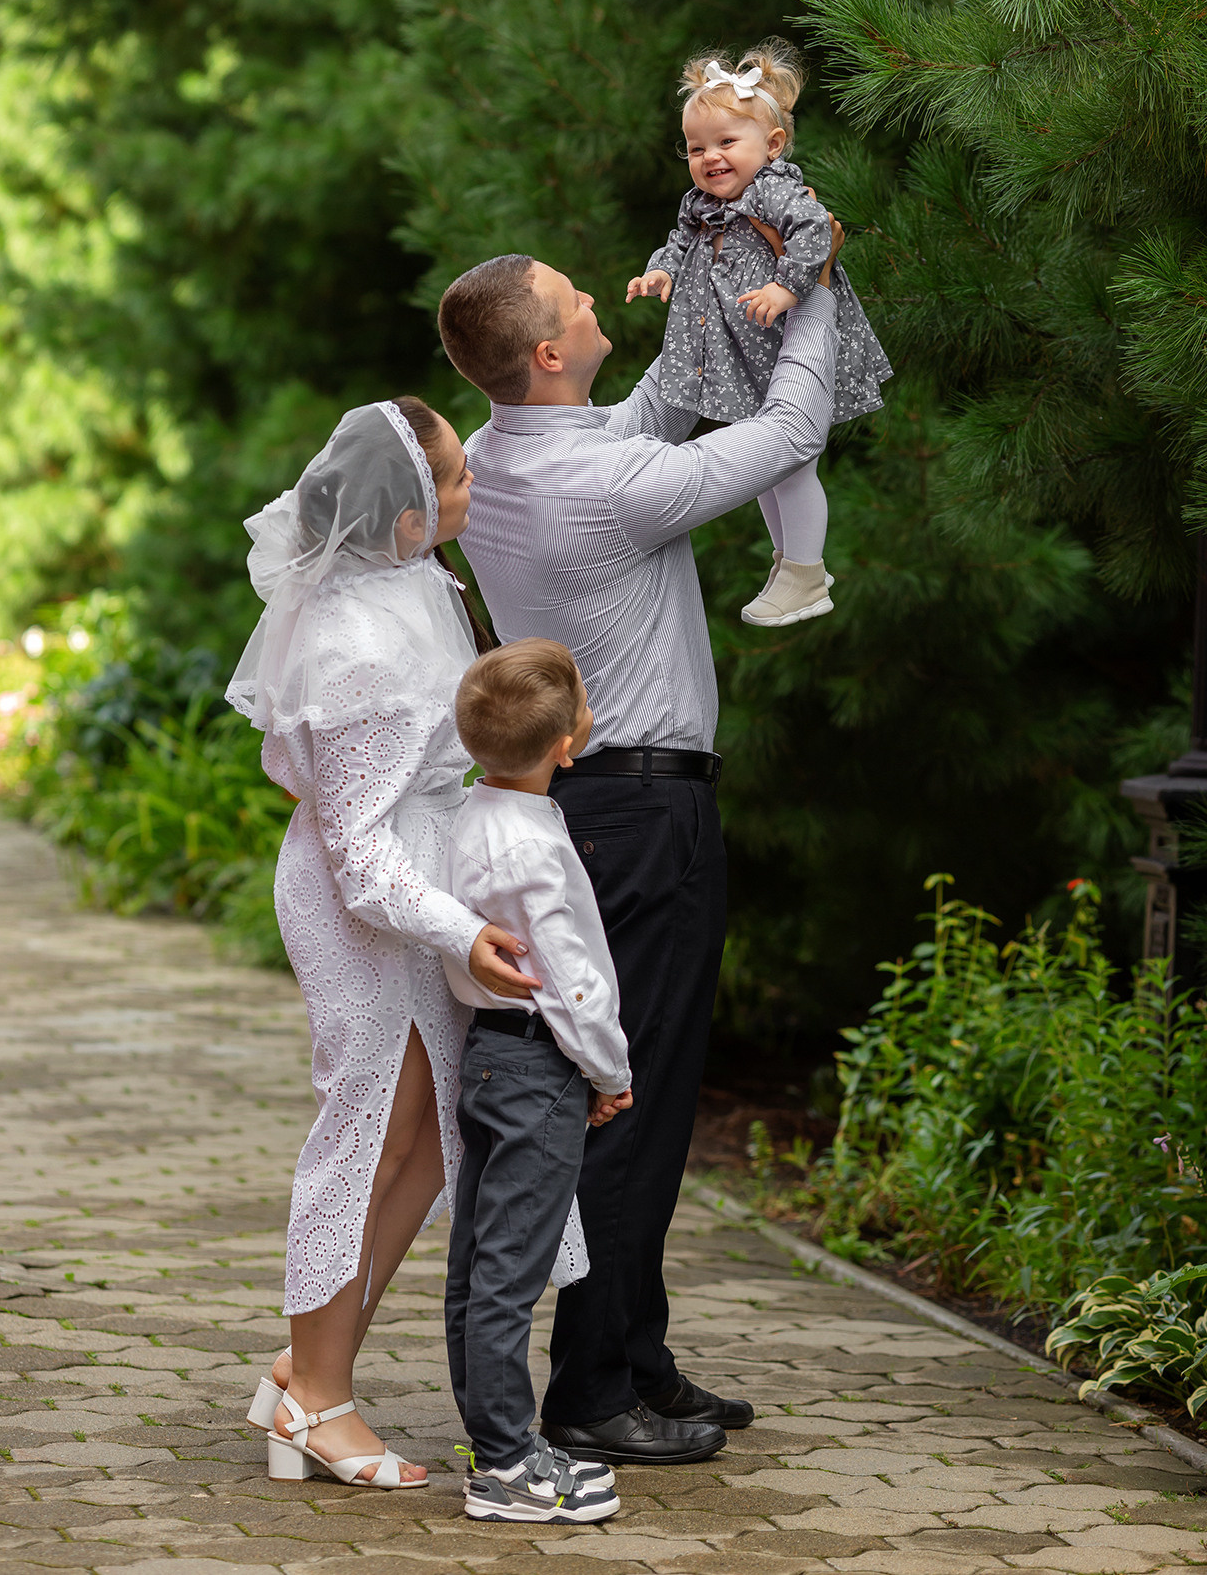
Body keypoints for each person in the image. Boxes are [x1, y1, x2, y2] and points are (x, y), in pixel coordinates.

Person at [435, 219, 844, 1465]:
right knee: (633, 1101)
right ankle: (591, 1391)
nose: (592, 297)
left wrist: (730, 262)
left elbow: (663, 395)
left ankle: (637, 1355)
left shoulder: (504, 460)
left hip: (587, 807)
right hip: (643, 815)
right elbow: (792, 429)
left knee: (639, 1096)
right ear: (552, 354)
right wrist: (819, 290)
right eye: (573, 298)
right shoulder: (608, 485)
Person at [223, 396, 546, 1489]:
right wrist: (468, 928)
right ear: (407, 516)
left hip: (419, 883)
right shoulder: (355, 644)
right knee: (365, 1134)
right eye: (455, 478)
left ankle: (309, 1367)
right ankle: (317, 1403)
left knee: (424, 1139)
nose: (470, 486)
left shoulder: (413, 579)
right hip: (365, 904)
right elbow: (358, 852)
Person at [440, 639, 633, 1524]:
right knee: (509, 1272)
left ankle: (497, 1442)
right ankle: (506, 1464)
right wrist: (608, 1069)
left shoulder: (473, 815)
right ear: (566, 743)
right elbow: (570, 977)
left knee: (480, 1259)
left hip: (490, 1056)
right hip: (538, 1064)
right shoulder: (530, 847)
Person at [628, 40, 891, 627]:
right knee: (763, 467)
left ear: (771, 146)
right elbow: (678, 242)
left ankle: (806, 571)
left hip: (779, 344)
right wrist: (660, 271)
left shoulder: (773, 189)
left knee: (791, 464)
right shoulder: (698, 202)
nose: (710, 158)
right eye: (697, 147)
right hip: (741, 352)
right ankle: (787, 563)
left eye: (726, 143)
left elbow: (816, 230)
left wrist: (787, 288)